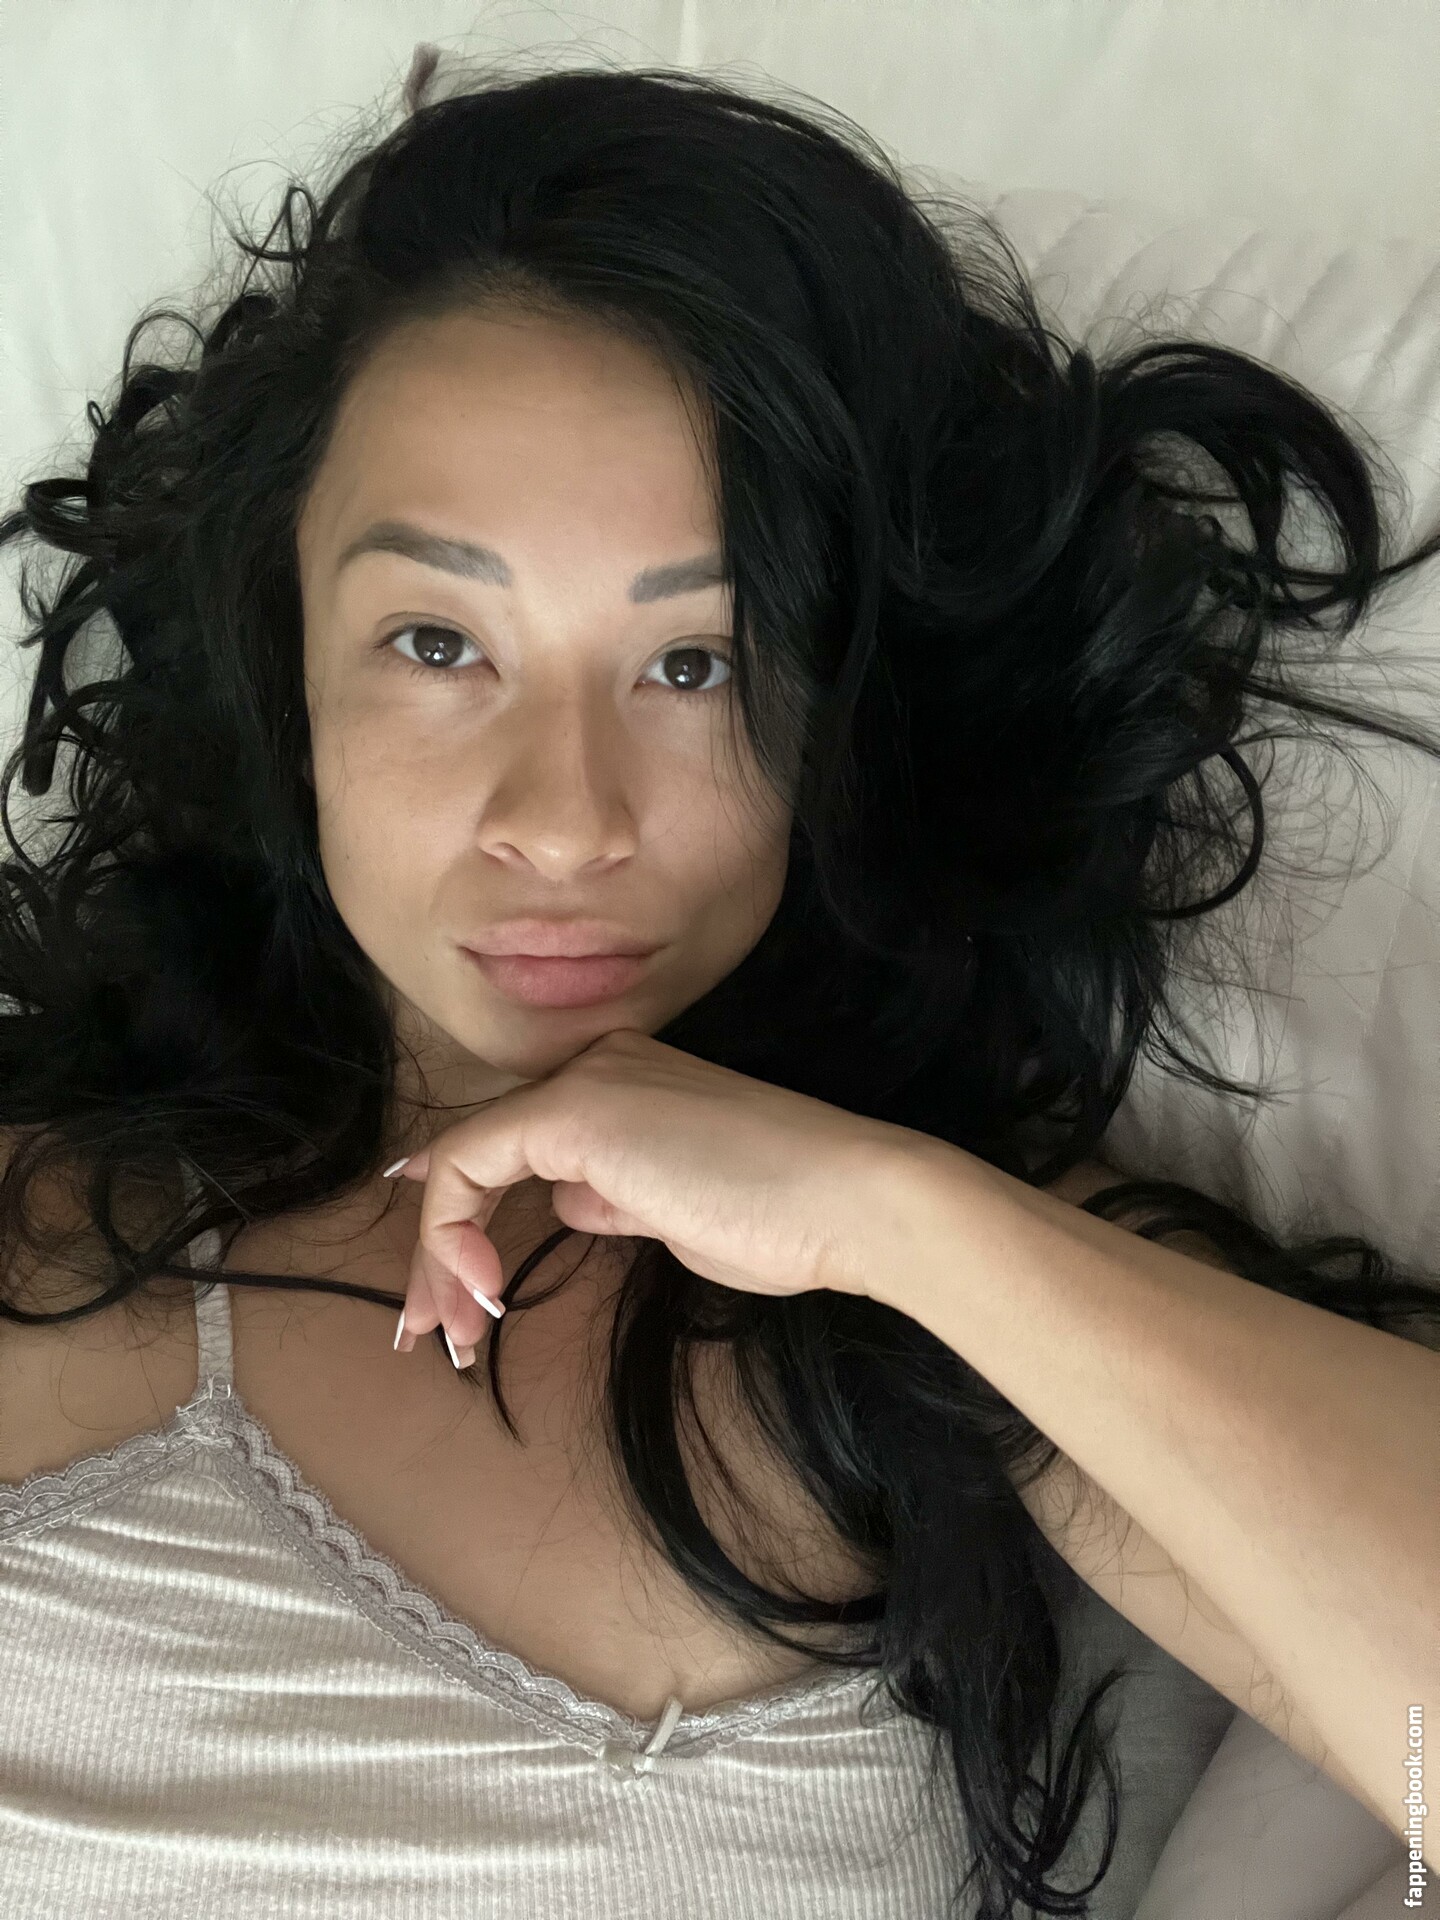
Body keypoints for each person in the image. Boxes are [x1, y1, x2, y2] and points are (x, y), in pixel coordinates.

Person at [0, 55, 1435, 1920]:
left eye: (699, 663)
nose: (564, 820)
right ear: (285, 667)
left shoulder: (970, 1325)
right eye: (437, 642)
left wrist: (896, 1221)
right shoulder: (44, 1186)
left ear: (851, 708)